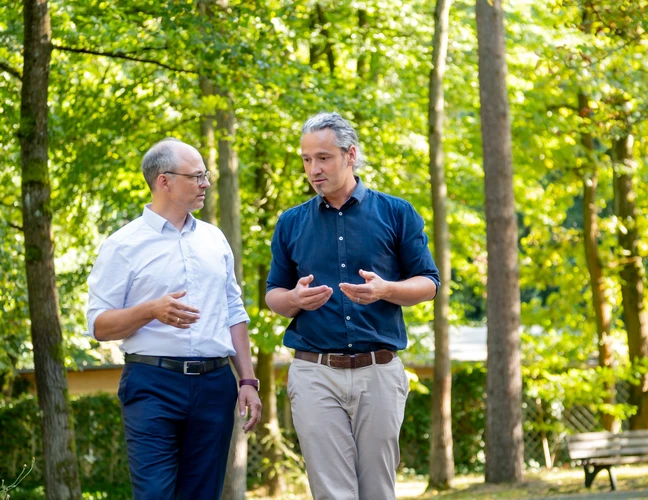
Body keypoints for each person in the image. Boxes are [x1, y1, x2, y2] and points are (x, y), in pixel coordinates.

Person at [266, 112, 439, 500]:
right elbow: (274, 294)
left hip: (378, 371)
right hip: (314, 372)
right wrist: (294, 299)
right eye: (307, 159)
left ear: (350, 155)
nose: (314, 169)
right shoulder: (290, 223)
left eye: (323, 158)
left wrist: (386, 290)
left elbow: (429, 284)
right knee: (332, 493)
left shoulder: (397, 213)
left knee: (377, 490)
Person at [86, 138, 262, 500]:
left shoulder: (215, 240)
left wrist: (247, 379)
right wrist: (150, 310)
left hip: (215, 385)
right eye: (196, 176)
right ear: (164, 181)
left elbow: (234, 311)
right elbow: (99, 325)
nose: (205, 183)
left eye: (205, 175)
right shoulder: (122, 245)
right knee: (154, 494)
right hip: (152, 384)